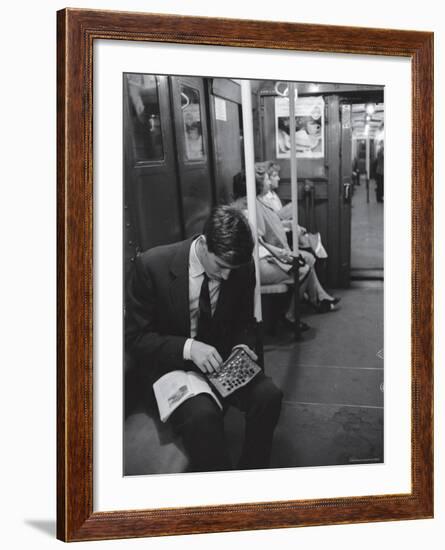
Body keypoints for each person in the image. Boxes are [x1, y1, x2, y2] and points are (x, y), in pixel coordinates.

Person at [125, 205, 283, 472]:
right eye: (220, 266)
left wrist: (243, 345)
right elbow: (136, 338)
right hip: (172, 365)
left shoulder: (240, 269)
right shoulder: (152, 266)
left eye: (232, 269)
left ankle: (253, 470)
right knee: (203, 416)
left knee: (269, 396)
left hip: (221, 361)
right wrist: (188, 348)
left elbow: (244, 322)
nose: (226, 276)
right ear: (204, 243)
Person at [232, 164, 339, 316]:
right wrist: (277, 252)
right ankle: (293, 313)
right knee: (302, 270)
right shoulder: (243, 212)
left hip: (261, 257)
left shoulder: (248, 207)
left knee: (302, 261)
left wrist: (277, 252)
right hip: (253, 265)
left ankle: (315, 300)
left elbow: (259, 239)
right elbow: (259, 237)